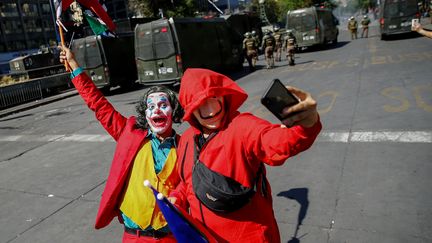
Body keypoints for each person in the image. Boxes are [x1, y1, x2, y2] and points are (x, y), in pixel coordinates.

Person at [170, 68, 322, 242]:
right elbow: (188, 180)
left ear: (223, 95)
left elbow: (276, 141)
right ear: (191, 111)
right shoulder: (188, 139)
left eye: (214, 98)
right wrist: (177, 198)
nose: (211, 111)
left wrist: (305, 126)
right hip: (204, 237)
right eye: (201, 105)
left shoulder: (242, 126)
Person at [59, 46, 183, 242]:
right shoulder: (130, 133)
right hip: (134, 237)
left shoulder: (185, 147)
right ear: (145, 113)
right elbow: (99, 105)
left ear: (173, 111)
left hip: (170, 237)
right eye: (151, 107)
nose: (157, 111)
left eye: (163, 105)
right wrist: (74, 65)